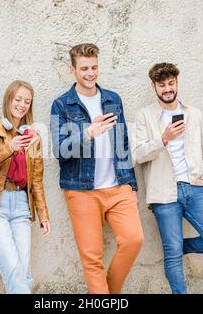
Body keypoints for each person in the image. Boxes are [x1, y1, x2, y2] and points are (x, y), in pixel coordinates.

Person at [50, 43, 144, 294]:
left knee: (134, 239)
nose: (90, 73)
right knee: (92, 259)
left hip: (117, 186)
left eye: (94, 67)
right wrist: (89, 132)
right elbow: (59, 150)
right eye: (84, 69)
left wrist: (131, 185)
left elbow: (122, 143)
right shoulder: (62, 105)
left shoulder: (113, 99)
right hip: (82, 191)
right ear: (73, 70)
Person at [132, 62, 203, 294]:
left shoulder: (194, 114)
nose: (167, 89)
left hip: (195, 189)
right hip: (164, 193)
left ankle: (179, 247)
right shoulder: (145, 116)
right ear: (154, 86)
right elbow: (137, 154)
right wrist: (163, 139)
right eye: (162, 84)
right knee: (172, 254)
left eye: (171, 83)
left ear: (177, 83)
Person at [0, 80, 51, 294]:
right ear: (8, 100)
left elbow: (36, 181)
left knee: (23, 271)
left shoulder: (32, 138)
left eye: (27, 102)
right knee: (14, 270)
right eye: (18, 99)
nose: (22, 105)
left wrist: (44, 215)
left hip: (22, 205)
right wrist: (8, 148)